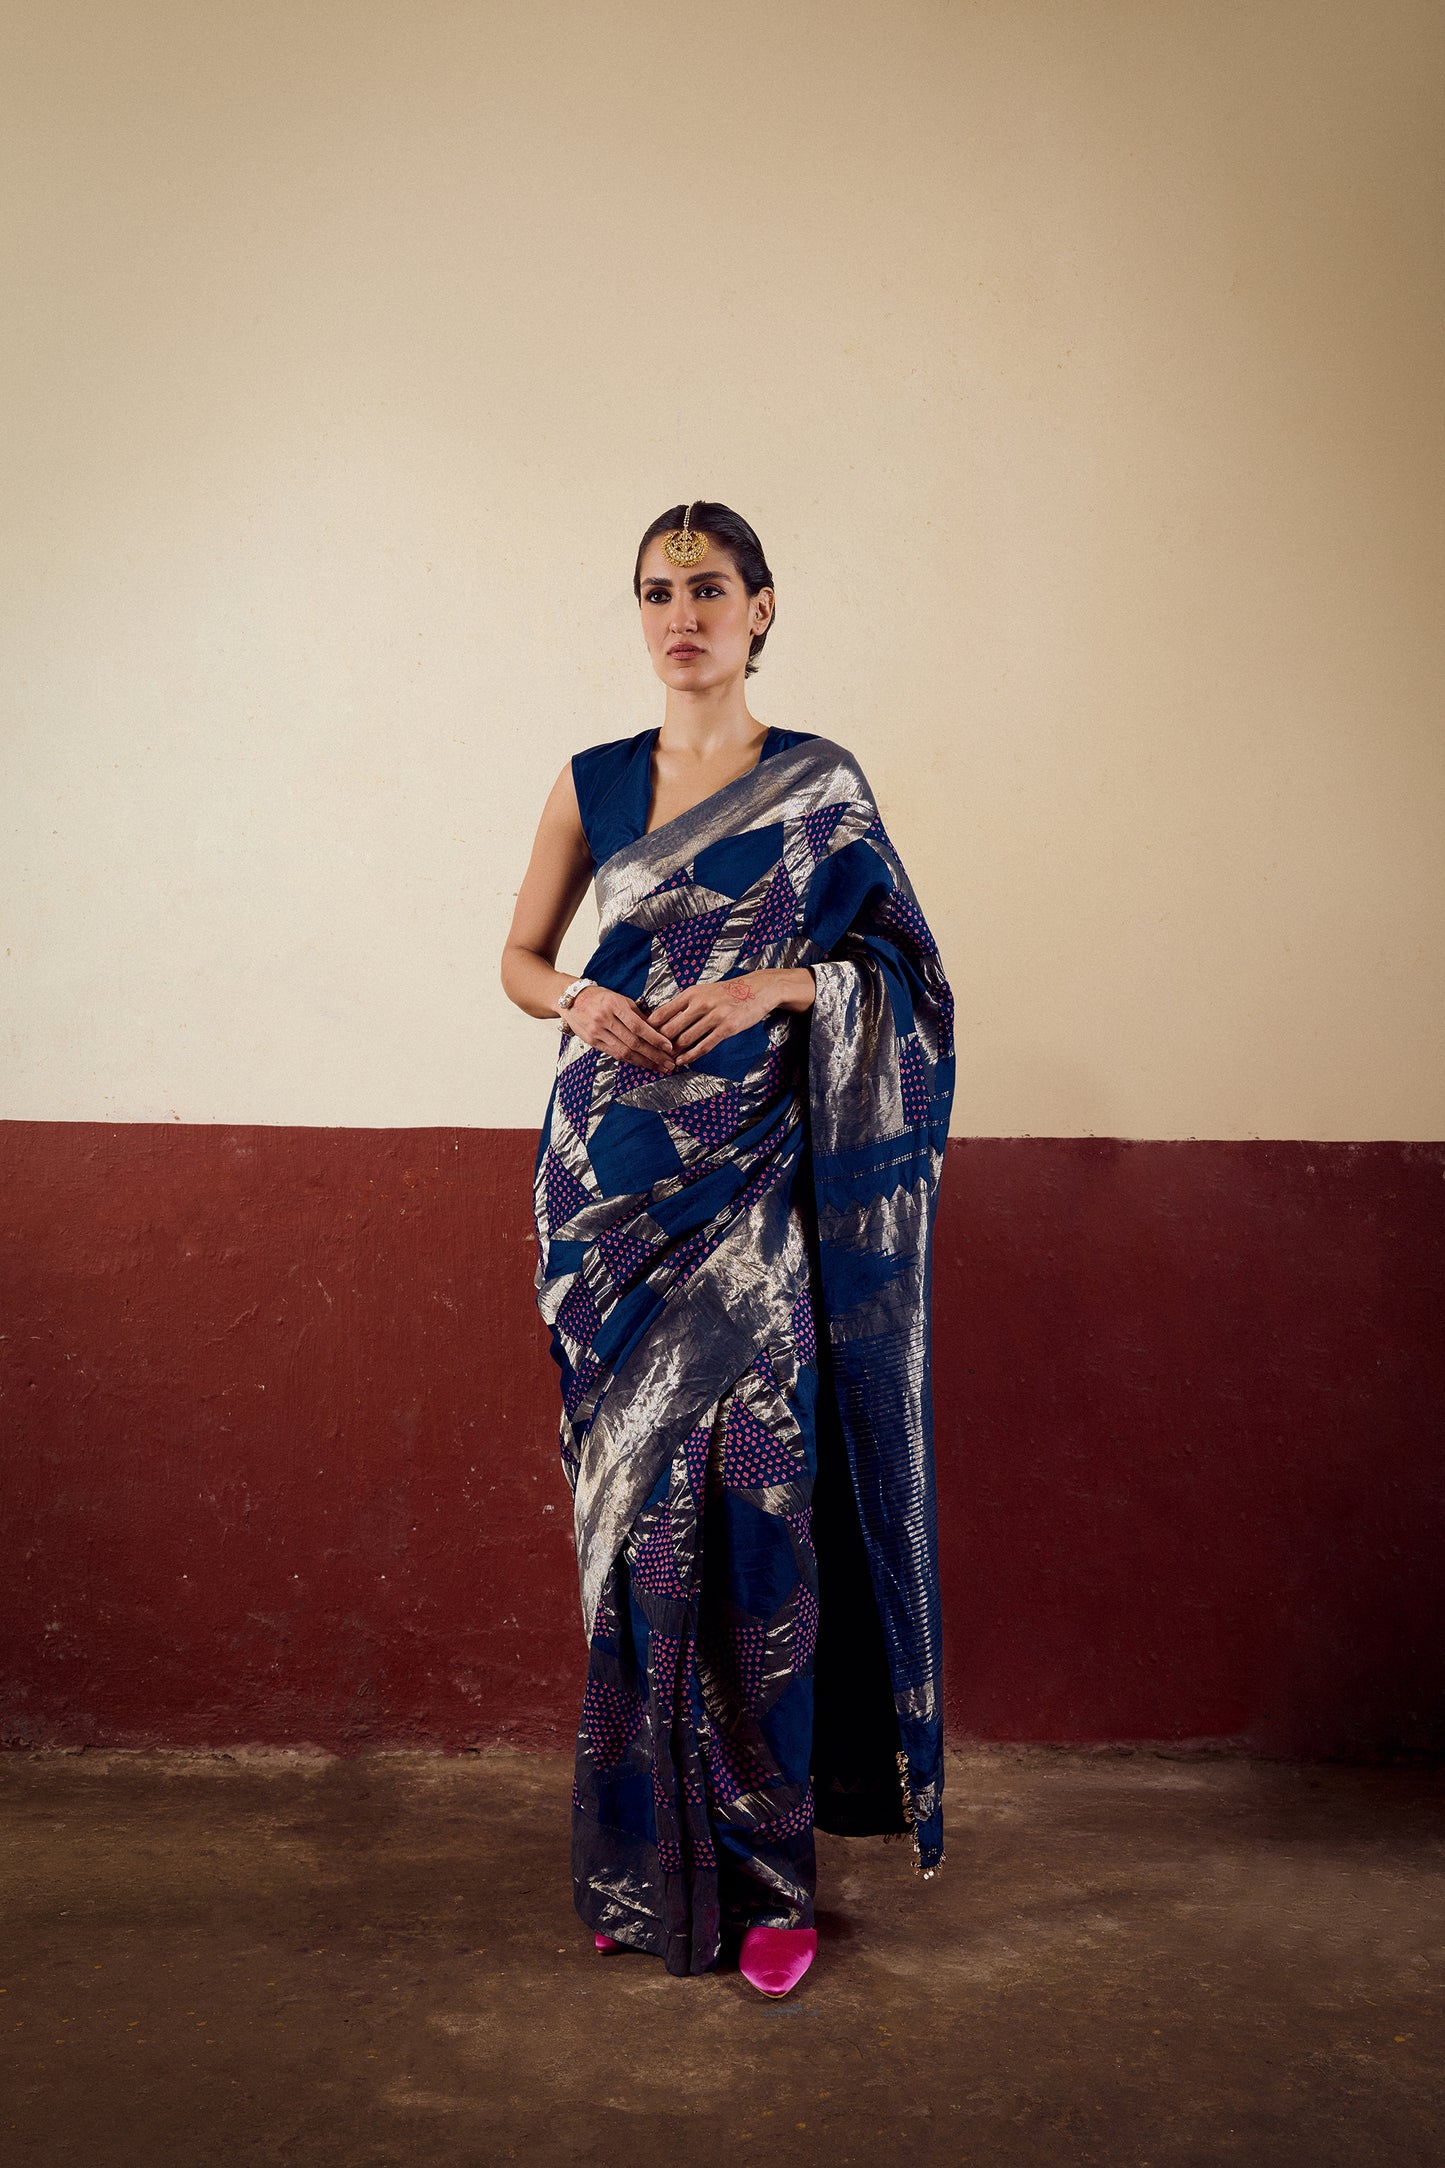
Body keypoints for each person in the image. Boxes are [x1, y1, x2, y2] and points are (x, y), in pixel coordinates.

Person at [500, 501, 954, 1997]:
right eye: (655, 591)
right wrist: (575, 1000)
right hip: (608, 1206)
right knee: (638, 1540)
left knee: (763, 1532)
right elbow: (519, 957)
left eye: (707, 588)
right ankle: (640, 1870)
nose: (679, 614)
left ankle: (770, 1888)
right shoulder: (591, 781)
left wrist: (778, 985)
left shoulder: (819, 788)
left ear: (761, 608)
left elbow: (906, 982)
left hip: (756, 1204)